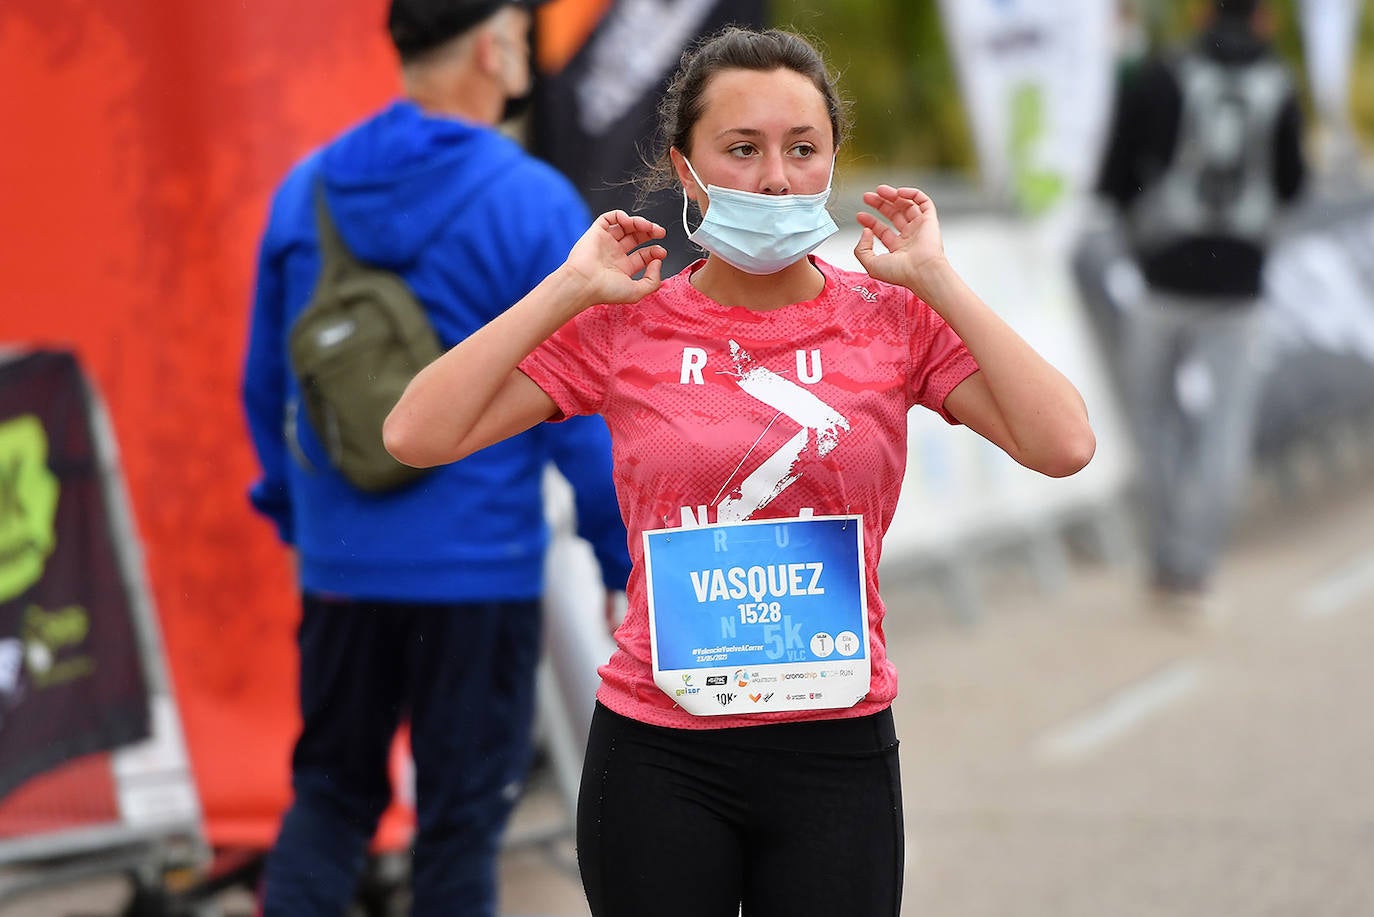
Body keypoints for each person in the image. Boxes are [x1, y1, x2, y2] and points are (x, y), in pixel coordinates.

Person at [384, 25, 1095, 917]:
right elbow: (415, 432)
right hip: (659, 752)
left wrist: (939, 281)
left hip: (835, 750)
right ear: (687, 170)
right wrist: (567, 288)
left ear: (834, 162)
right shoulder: (627, 322)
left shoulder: (893, 322)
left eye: (803, 150)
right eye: (742, 149)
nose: (774, 178)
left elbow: (1064, 444)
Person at [239, 1, 632, 914]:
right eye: (525, 38)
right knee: (462, 822)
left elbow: (266, 385)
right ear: (494, 48)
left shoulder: (306, 192)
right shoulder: (532, 203)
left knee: (331, 796)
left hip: (342, 573)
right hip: (477, 575)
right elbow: (583, 414)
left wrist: (307, 523)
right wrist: (620, 556)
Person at [1095, 0, 1305, 614]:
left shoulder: (1163, 73)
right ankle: (1197, 565)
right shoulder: (1280, 82)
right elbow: (1292, 182)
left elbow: (1114, 174)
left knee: (1151, 422)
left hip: (1161, 281)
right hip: (1241, 287)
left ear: (1201, 11)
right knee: (1225, 431)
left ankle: (1165, 557)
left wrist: (1138, 230)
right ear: (1262, 15)